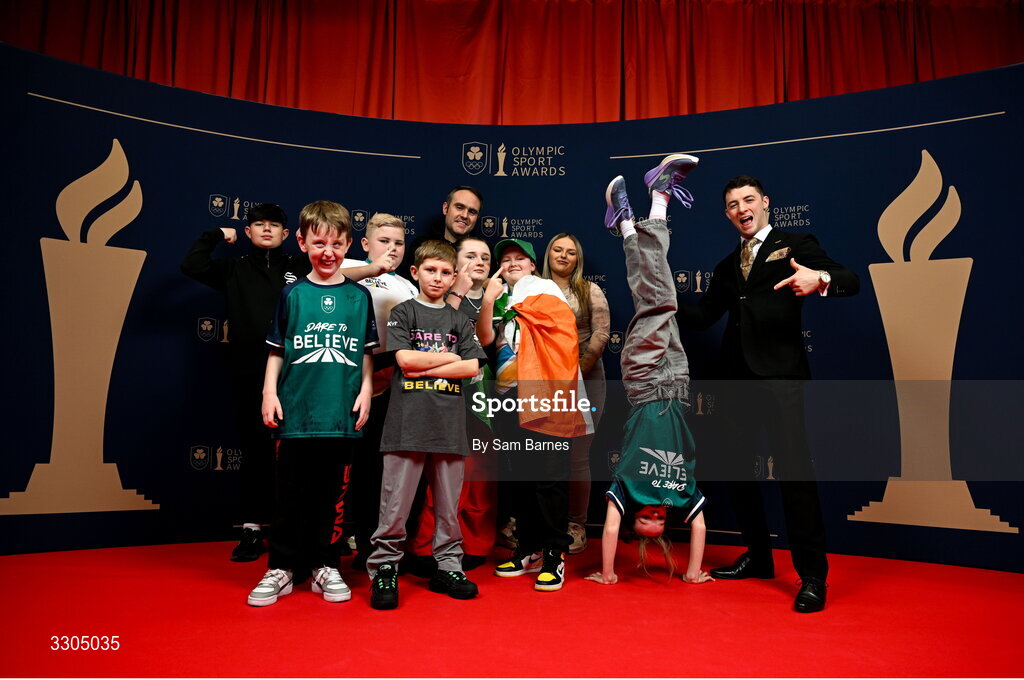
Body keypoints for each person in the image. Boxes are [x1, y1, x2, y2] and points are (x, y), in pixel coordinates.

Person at [675, 170, 860, 613]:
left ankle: (812, 575)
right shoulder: (725, 266)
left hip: (780, 378)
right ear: (727, 214)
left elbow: (849, 278)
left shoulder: (796, 246)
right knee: (738, 472)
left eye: (749, 199)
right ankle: (759, 557)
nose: (742, 209)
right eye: (734, 204)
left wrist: (821, 280)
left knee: (794, 473)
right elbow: (702, 318)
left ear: (765, 202)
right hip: (735, 381)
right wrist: (658, 298)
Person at [585, 163, 712, 586]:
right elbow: (699, 527)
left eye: (647, 519)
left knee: (659, 299)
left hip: (643, 382)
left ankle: (657, 197)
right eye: (661, 519)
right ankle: (623, 221)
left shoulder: (628, 488)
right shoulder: (682, 493)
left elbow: (607, 528)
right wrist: (692, 571)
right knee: (656, 295)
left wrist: (607, 573)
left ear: (636, 517)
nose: (655, 512)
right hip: (677, 381)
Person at [247, 200, 376, 607]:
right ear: (302, 242)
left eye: (337, 244)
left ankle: (326, 564)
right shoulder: (292, 294)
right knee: (287, 495)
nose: (328, 252)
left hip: (340, 415)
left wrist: (366, 390)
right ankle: (281, 568)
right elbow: (277, 351)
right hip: (295, 414)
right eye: (319, 243)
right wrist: (270, 393)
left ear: (349, 245)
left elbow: (367, 355)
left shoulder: (359, 297)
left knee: (332, 496)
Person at [180, 203, 310, 562]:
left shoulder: (300, 267)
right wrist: (216, 235)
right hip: (249, 373)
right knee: (255, 451)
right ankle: (253, 529)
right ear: (249, 231)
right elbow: (191, 265)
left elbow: (343, 275)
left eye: (273, 225)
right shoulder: (233, 268)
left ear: (287, 235)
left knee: (297, 455)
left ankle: (295, 527)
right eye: (258, 224)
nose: (266, 230)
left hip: (297, 375)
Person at [366, 240, 487, 610]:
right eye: (430, 270)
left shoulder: (457, 320)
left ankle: (448, 565)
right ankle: (385, 565)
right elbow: (403, 359)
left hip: (449, 426)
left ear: (454, 278)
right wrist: (448, 357)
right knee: (395, 505)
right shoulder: (404, 312)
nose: (437, 277)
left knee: (449, 507)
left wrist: (431, 362)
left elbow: (472, 367)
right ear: (415, 272)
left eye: (445, 272)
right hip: (407, 423)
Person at [481, 239, 592, 592]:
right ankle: (528, 548)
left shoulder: (544, 290)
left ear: (532, 265)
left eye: (520, 258)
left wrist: (517, 307)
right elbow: (485, 340)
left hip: (543, 395)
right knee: (521, 479)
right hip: (507, 396)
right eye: (505, 259)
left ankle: (554, 554)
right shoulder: (499, 298)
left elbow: (562, 333)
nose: (512, 263)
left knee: (549, 479)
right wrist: (490, 299)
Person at [410, 235, 499, 571]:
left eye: (485, 258)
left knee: (479, 475)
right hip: (441, 391)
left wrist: (489, 301)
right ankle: (426, 546)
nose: (479, 262)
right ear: (454, 263)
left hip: (483, 393)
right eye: (470, 255)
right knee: (441, 473)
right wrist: (458, 291)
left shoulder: (499, 298)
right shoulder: (438, 295)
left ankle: (474, 543)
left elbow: (490, 343)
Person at [338, 213, 418, 570]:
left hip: (388, 386)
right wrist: (372, 270)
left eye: (398, 243)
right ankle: (330, 540)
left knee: (375, 469)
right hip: (342, 382)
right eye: (384, 241)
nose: (392, 249)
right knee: (335, 469)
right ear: (366, 244)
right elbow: (324, 281)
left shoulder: (409, 286)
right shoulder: (346, 267)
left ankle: (370, 541)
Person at [541, 233, 610, 554]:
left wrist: (578, 369)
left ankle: (576, 524)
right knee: (540, 456)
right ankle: (541, 523)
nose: (564, 256)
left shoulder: (589, 290)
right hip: (542, 381)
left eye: (571, 252)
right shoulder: (533, 287)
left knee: (577, 457)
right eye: (558, 250)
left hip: (586, 379)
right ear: (548, 254)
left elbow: (601, 332)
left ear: (577, 259)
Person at [405, 185, 484, 271]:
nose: (465, 215)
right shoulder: (420, 246)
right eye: (459, 207)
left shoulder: (484, 252)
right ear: (445, 208)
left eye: (472, 212)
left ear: (477, 218)